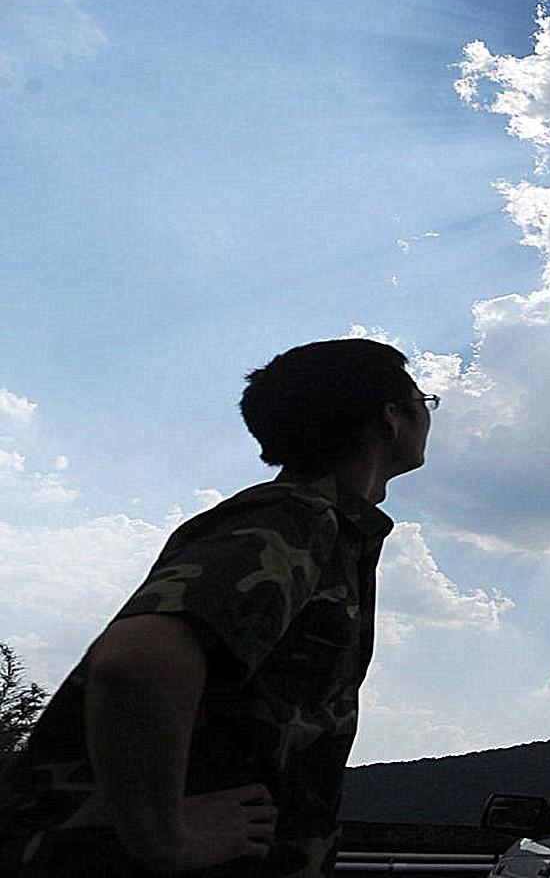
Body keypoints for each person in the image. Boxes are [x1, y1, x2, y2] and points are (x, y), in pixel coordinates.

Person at [0, 339, 433, 877]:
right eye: (424, 400)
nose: (427, 414)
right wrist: (166, 841)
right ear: (391, 418)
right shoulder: (292, 518)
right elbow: (137, 661)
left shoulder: (320, 527)